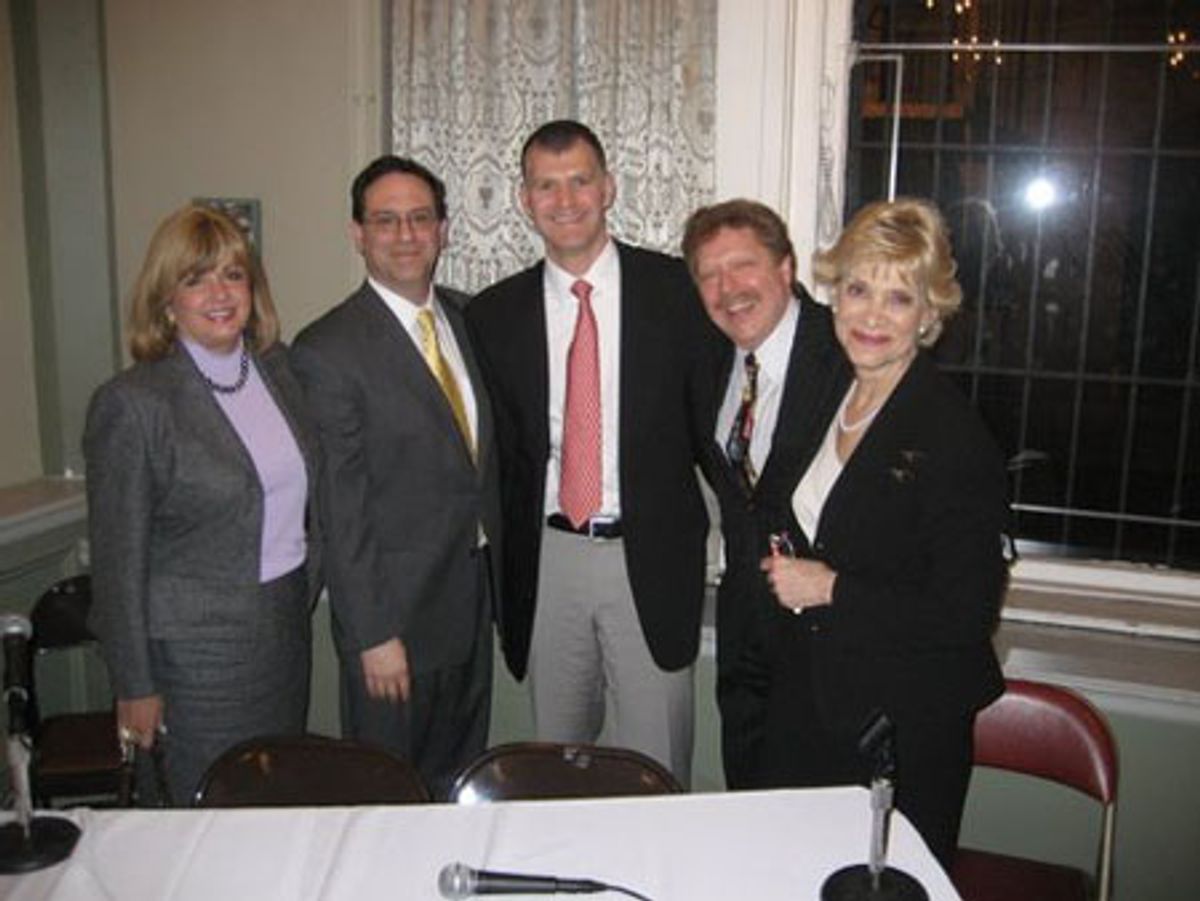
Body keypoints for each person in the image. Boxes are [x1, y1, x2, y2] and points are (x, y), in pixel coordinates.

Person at [757, 198, 1009, 866]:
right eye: (858, 288)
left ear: (929, 316)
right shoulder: (832, 389)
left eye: (898, 299)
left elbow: (966, 613)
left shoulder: (955, 436)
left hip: (902, 725)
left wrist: (833, 586)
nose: (871, 314)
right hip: (813, 700)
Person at [467, 120, 714, 784]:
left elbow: (719, 428)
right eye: (546, 185)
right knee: (555, 763)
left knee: (654, 768)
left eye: (580, 180)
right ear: (524, 199)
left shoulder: (679, 293)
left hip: (651, 559)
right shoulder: (491, 315)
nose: (566, 198)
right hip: (550, 563)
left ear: (608, 187)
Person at [84, 205, 322, 804]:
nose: (219, 293)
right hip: (194, 664)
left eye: (232, 275)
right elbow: (117, 563)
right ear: (166, 299)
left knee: (274, 801)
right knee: (206, 814)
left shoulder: (278, 371)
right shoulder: (134, 405)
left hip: (283, 637)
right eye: (195, 279)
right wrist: (134, 685)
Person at [291, 156, 500, 798]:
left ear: (442, 230)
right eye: (386, 221)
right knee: (387, 797)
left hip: (470, 609)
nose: (405, 235)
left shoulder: (473, 320)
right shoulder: (327, 350)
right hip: (394, 626)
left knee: (457, 787)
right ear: (358, 234)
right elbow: (340, 508)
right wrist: (373, 633)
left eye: (419, 218)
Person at [681, 200, 851, 789]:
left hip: (828, 636)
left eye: (743, 266)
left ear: (785, 269)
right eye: (709, 274)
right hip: (744, 627)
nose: (728, 289)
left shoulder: (850, 352)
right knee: (749, 796)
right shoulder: (705, 361)